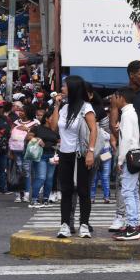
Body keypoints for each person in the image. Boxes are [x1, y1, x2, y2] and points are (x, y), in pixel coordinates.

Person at [109, 60, 140, 233]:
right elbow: (112, 122)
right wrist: (123, 141)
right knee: (122, 182)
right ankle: (120, 216)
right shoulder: (118, 95)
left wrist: (138, 140)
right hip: (126, 146)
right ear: (131, 75)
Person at [50, 76, 98, 239]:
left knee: (83, 191)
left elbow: (94, 130)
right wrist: (56, 105)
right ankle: (64, 225)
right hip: (65, 154)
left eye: (65, 85)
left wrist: (90, 151)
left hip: (80, 154)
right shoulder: (64, 108)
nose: (62, 88)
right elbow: (53, 126)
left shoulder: (86, 107)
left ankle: (84, 224)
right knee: (66, 191)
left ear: (73, 88)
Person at [112, 87, 140, 241]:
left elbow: (126, 141)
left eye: (114, 97)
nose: (113, 100)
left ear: (120, 97)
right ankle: (135, 224)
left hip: (129, 156)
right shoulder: (130, 112)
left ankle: (133, 226)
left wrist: (120, 160)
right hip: (134, 155)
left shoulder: (127, 114)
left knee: (127, 191)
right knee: (133, 190)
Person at [26, 108, 60, 207]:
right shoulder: (37, 128)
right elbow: (28, 137)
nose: (55, 120)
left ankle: (46, 198)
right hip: (40, 155)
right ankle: (34, 199)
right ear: (46, 119)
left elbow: (59, 140)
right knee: (41, 177)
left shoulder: (54, 130)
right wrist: (37, 139)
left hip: (52, 155)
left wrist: (58, 145)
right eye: (52, 118)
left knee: (49, 179)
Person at [9, 103, 39, 203]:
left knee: (26, 171)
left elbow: (39, 134)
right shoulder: (15, 122)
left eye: (22, 111)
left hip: (28, 151)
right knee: (18, 170)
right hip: (15, 150)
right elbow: (10, 136)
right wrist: (10, 150)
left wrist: (27, 129)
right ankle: (17, 194)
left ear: (28, 112)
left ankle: (26, 193)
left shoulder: (35, 123)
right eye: (19, 111)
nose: (20, 112)